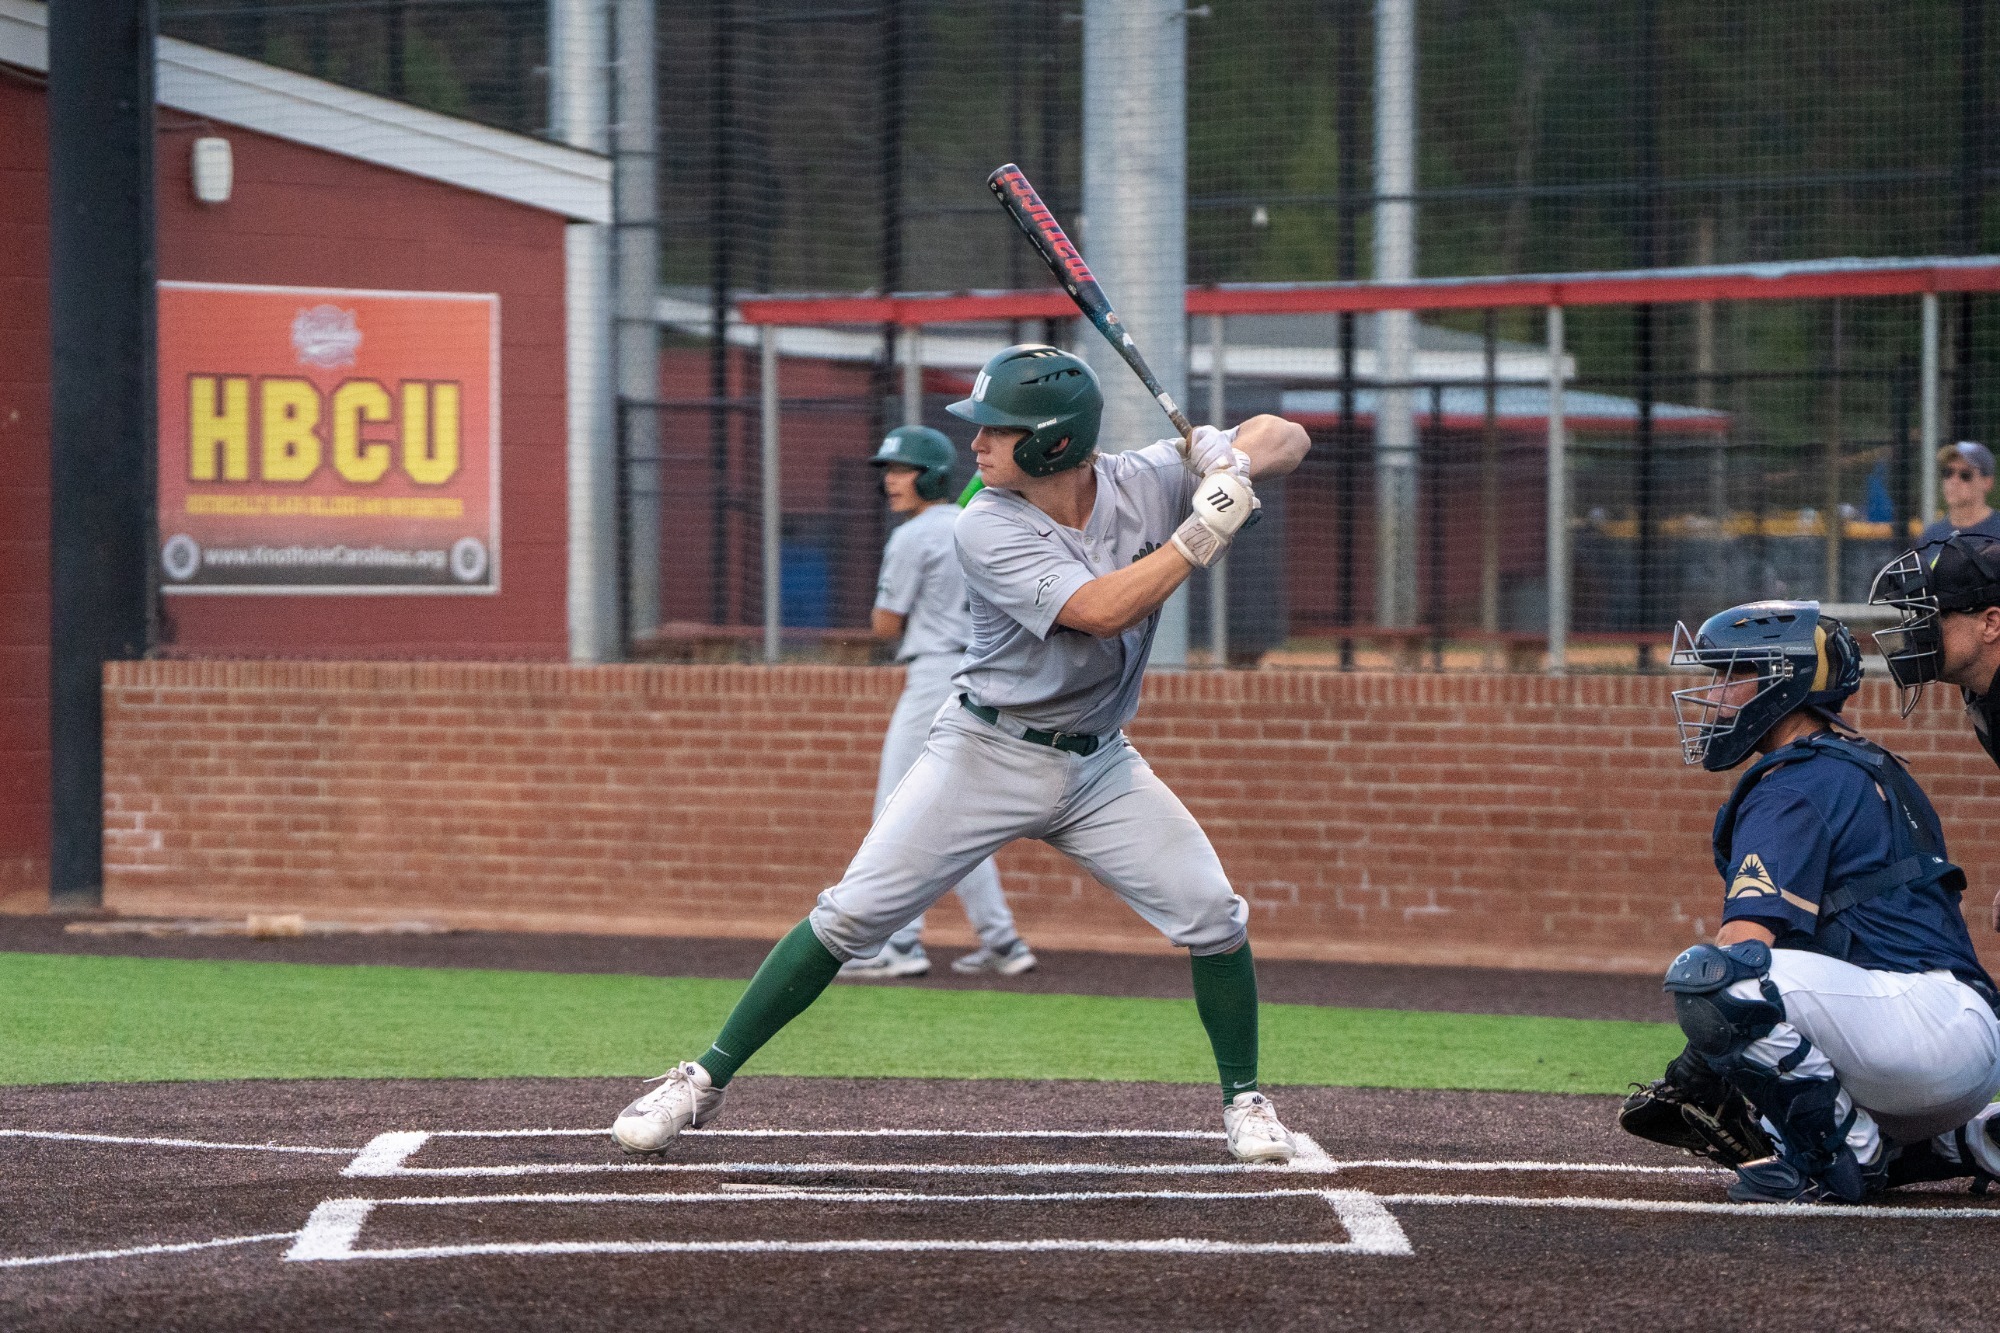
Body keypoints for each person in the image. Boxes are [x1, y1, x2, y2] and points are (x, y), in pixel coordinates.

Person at [610, 343, 1311, 1162]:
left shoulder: (1145, 478)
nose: (975, 444)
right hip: (985, 751)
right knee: (850, 915)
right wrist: (1201, 532)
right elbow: (1100, 611)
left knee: (1213, 913)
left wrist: (1230, 458)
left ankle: (1245, 1099)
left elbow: (1287, 435)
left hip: (1099, 765)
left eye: (996, 429)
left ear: (1052, 441)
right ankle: (701, 1080)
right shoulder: (985, 522)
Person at [1618, 599, 2000, 1203]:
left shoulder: (1794, 785)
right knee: (1781, 1100)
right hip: (1954, 1045)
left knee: (1715, 981)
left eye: (1731, 675)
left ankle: (1844, 1158)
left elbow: (1744, 946)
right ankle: (1966, 1139)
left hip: (1913, 1034)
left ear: (1783, 680)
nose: (1713, 694)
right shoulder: (1869, 765)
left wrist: (1695, 1069)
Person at [838, 424, 1037, 980]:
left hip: (933, 676)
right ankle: (1002, 941)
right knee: (954, 816)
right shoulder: (977, 524)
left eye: (903, 471)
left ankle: (898, 943)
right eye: (889, 471)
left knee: (897, 809)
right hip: (983, 676)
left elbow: (885, 626)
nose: (892, 481)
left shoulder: (914, 536)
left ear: (931, 476)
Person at [1917, 441, 2000, 545]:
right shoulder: (1931, 536)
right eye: (1948, 472)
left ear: (1987, 482)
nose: (1954, 481)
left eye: (1965, 475)